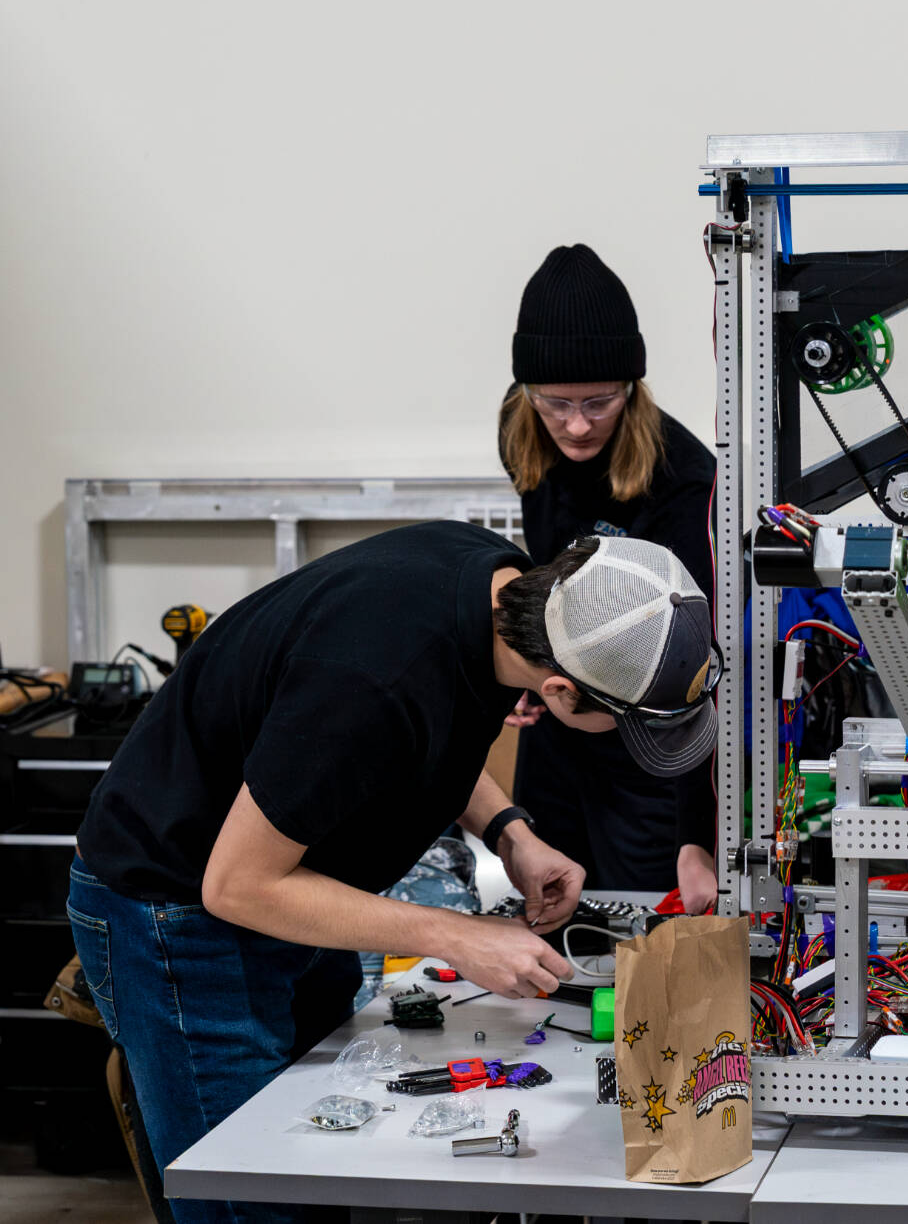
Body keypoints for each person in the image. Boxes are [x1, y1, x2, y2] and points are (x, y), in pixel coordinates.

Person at [71, 526, 720, 1223]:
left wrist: (511, 833)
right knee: (251, 1201)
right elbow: (236, 885)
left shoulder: (493, 587)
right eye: (625, 726)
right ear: (560, 692)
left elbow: (429, 727)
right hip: (180, 917)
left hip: (295, 892)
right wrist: (457, 937)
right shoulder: (370, 676)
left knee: (317, 1170)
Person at [499, 243, 720, 911]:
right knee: (553, 907)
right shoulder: (520, 431)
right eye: (554, 402)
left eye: (598, 402)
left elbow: (699, 673)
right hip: (561, 727)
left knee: (643, 928)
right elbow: (546, 580)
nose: (574, 424)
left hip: (646, 753)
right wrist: (524, 674)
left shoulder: (685, 486)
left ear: (632, 387)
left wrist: (696, 835)